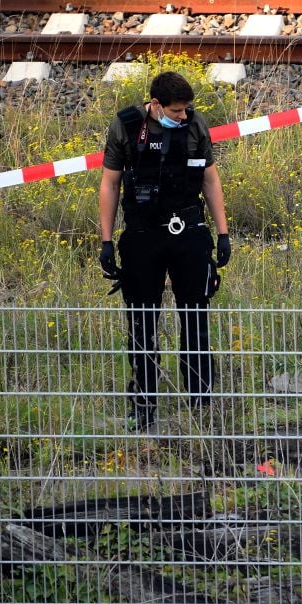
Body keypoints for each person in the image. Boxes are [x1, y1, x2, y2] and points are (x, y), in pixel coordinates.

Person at [98, 71, 231, 431]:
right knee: (142, 324)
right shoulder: (126, 126)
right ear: (155, 105)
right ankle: (143, 407)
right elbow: (110, 183)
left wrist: (222, 233)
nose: (183, 116)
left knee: (196, 318)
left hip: (189, 232)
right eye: (176, 110)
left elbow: (210, 178)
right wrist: (107, 240)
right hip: (143, 236)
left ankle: (201, 404)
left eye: (187, 109)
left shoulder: (195, 125)